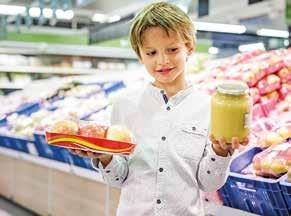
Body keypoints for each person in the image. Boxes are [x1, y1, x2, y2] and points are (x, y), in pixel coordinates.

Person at [70, 2, 248, 215]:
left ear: (189, 47)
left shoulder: (208, 108)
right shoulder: (125, 104)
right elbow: (118, 178)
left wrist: (220, 152)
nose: (162, 60)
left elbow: (208, 184)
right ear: (140, 55)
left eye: (172, 49)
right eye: (151, 53)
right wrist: (103, 156)